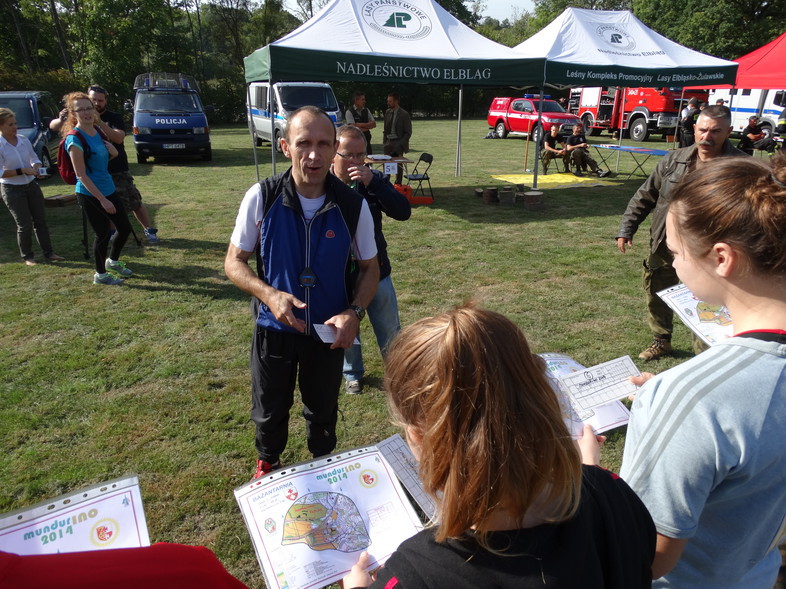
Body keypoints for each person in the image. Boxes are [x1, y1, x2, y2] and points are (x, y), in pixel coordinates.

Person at [342, 304, 656, 589]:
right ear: (541, 401)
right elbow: (650, 562)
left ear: (419, 437)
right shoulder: (612, 492)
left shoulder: (416, 572)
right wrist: (589, 471)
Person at [617, 153, 786, 588]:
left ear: (722, 257)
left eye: (675, 252)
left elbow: (644, 558)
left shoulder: (691, 399)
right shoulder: (694, 397)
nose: (672, 264)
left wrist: (587, 472)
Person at [224, 106, 379, 479]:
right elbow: (234, 262)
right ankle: (268, 463)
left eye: (324, 144)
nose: (314, 154)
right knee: (269, 410)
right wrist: (270, 295)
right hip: (274, 329)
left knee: (322, 410)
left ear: (334, 149)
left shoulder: (353, 205)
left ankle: (322, 468)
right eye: (303, 143)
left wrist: (354, 313)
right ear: (284, 147)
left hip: (326, 333)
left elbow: (371, 269)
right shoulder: (262, 196)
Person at [616, 105, 748, 360]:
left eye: (715, 131)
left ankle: (704, 355)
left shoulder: (740, 167)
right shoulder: (673, 160)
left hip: (709, 251)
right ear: (695, 129)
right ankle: (661, 340)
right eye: (702, 130)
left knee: (706, 302)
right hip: (666, 245)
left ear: (729, 132)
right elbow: (645, 196)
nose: (707, 137)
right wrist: (626, 228)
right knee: (656, 293)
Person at [331, 125, 410, 395]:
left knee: (389, 328)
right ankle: (352, 374)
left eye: (361, 155)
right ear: (333, 154)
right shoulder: (321, 186)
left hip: (377, 272)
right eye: (348, 155)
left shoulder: (372, 181)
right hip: (339, 275)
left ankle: (399, 373)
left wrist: (374, 183)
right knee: (347, 328)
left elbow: (403, 212)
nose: (355, 162)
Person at [51, 86, 159, 243]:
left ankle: (148, 230)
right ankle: (111, 236)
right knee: (106, 210)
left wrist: (99, 123)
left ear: (105, 101)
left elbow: (118, 138)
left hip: (117, 168)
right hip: (93, 174)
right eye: (93, 100)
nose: (96, 104)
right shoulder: (77, 127)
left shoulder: (112, 118)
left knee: (134, 201)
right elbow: (54, 126)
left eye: (99, 101)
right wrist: (63, 118)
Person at [60, 92, 134, 285]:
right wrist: (103, 200)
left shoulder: (98, 131)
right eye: (81, 109)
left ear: (94, 110)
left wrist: (113, 153)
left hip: (108, 187)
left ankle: (113, 261)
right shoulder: (74, 139)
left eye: (89, 108)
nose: (86, 112)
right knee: (102, 234)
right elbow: (81, 175)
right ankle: (100, 275)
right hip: (90, 193)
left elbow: (99, 162)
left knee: (125, 229)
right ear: (73, 113)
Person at [0, 108, 64, 265]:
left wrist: (36, 167)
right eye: (10, 125)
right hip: (12, 189)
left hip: (30, 184)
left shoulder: (23, 139)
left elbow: (34, 158)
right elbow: (1, 172)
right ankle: (27, 256)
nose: (15, 127)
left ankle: (49, 253)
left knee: (40, 221)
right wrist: (22, 171)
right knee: (24, 224)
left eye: (15, 123)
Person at [382, 93, 412, 185]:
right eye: (388, 101)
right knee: (386, 165)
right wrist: (385, 141)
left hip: (398, 142)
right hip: (388, 142)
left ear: (396, 101)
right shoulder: (387, 112)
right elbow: (385, 129)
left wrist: (400, 144)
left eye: (390, 101)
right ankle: (386, 184)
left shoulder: (404, 114)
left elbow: (408, 132)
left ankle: (398, 184)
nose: (388, 103)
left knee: (398, 166)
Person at [345, 91, 376, 155]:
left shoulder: (366, 110)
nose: (365, 101)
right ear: (356, 100)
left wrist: (358, 125)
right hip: (355, 143)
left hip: (367, 143)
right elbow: (352, 128)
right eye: (363, 99)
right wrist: (367, 126)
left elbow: (374, 124)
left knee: (369, 163)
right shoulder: (349, 112)